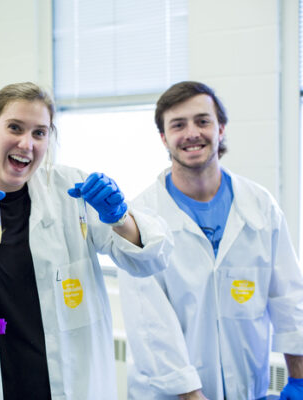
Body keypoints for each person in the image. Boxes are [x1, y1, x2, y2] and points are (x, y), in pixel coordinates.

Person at [0, 82, 173, 400]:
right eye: (15, 127)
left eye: (39, 133)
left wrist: (120, 216)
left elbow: (151, 260)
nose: (26, 143)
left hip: (73, 384)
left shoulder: (72, 190)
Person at [118, 81, 303, 400]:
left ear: (221, 129)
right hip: (172, 394)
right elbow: (152, 327)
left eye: (203, 121)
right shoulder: (140, 218)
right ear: (164, 138)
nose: (192, 133)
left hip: (248, 388)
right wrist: (191, 396)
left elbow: (288, 297)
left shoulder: (260, 206)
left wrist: (299, 378)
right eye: (178, 125)